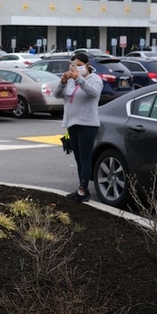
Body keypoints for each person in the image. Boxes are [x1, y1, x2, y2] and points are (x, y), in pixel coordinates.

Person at [54, 52, 103, 202]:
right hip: (72, 124)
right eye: (74, 66)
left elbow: (94, 93)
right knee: (78, 159)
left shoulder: (95, 79)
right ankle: (81, 188)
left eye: (80, 66)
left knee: (85, 157)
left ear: (87, 65)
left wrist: (79, 78)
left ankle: (84, 191)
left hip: (87, 124)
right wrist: (63, 82)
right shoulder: (70, 81)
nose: (77, 68)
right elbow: (57, 95)